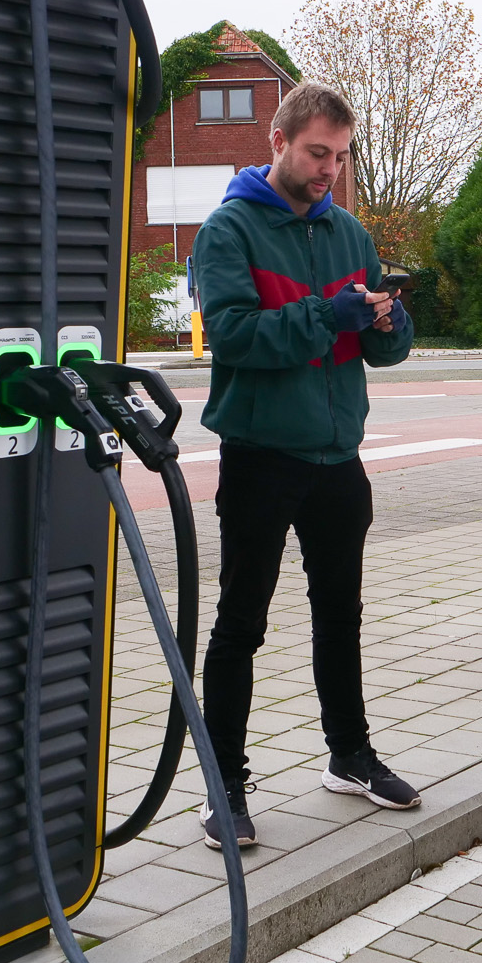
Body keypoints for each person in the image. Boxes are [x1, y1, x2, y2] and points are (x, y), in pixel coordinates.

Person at [189, 80, 419, 847]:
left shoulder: (349, 233)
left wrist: (390, 323)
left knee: (340, 614)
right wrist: (330, 315)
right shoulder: (229, 231)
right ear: (278, 143)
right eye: (318, 152)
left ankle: (348, 756)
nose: (329, 169)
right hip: (260, 456)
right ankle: (223, 785)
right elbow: (234, 339)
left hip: (336, 459)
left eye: (341, 156)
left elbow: (378, 351)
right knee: (240, 625)